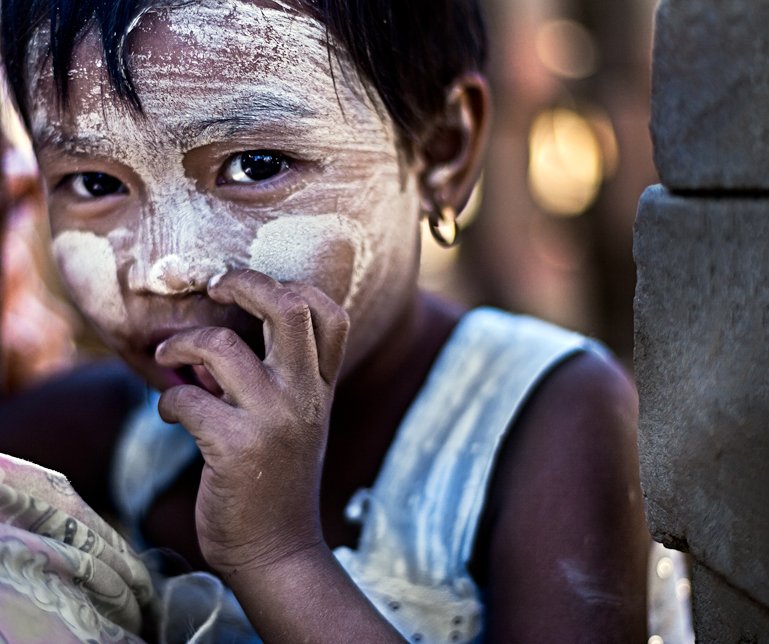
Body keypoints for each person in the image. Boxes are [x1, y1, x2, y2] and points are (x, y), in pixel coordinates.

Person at [0, 0, 654, 641]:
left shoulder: (554, 415)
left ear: (441, 153)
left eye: (254, 166)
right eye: (93, 183)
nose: (166, 267)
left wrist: (277, 557)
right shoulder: (121, 427)